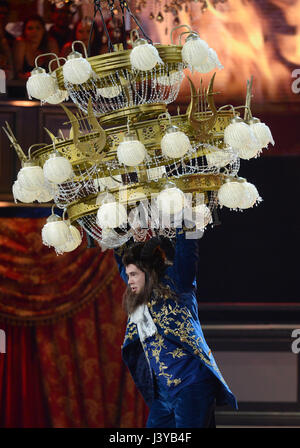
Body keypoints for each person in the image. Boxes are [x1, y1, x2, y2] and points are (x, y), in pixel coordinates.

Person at [114, 229, 237, 428]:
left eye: (133, 274)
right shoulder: (138, 295)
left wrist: (183, 214)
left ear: (146, 271)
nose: (129, 280)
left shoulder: (178, 284)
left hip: (191, 386)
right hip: (164, 395)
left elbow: (187, 249)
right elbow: (120, 254)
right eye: (128, 275)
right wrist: (114, 220)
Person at [13, 14, 59, 80]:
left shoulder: (50, 43)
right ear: (24, 31)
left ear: (43, 30)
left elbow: (55, 72)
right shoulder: (21, 44)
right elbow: (17, 73)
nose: (34, 32)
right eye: (30, 28)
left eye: (38, 28)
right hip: (23, 86)